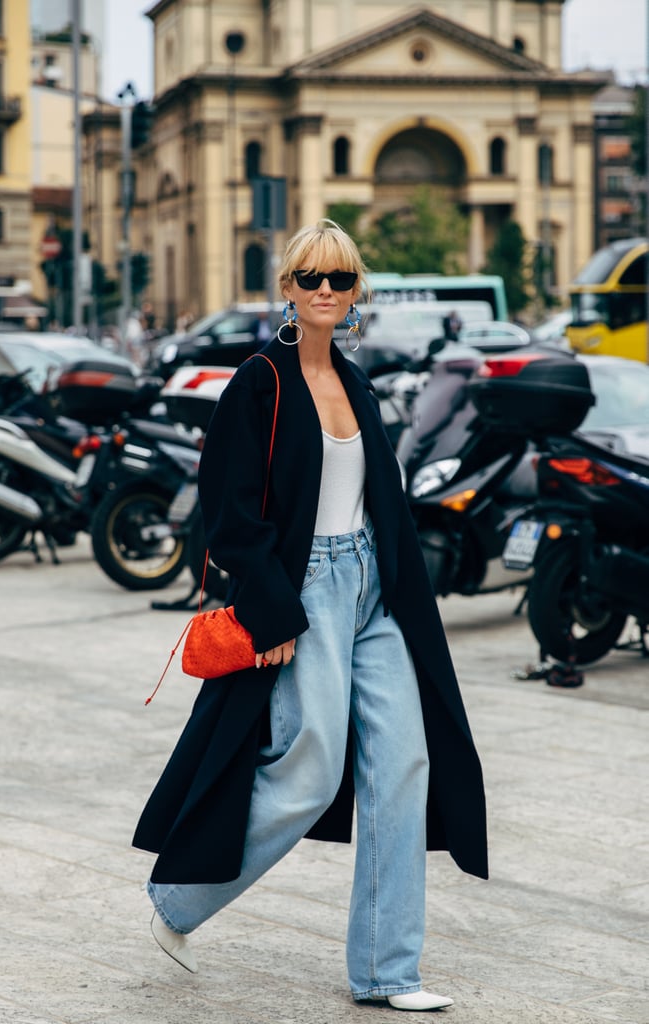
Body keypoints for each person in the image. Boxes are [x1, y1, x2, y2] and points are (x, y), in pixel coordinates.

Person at [133, 219, 488, 1011]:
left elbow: (380, 498)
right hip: (305, 592)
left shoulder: (359, 382)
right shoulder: (259, 380)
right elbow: (227, 515)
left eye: (339, 278)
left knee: (403, 770)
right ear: (286, 289)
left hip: (373, 589)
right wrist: (272, 614)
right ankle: (178, 903)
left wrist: (402, 585)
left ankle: (388, 973)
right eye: (309, 278)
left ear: (355, 290)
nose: (324, 291)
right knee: (308, 771)